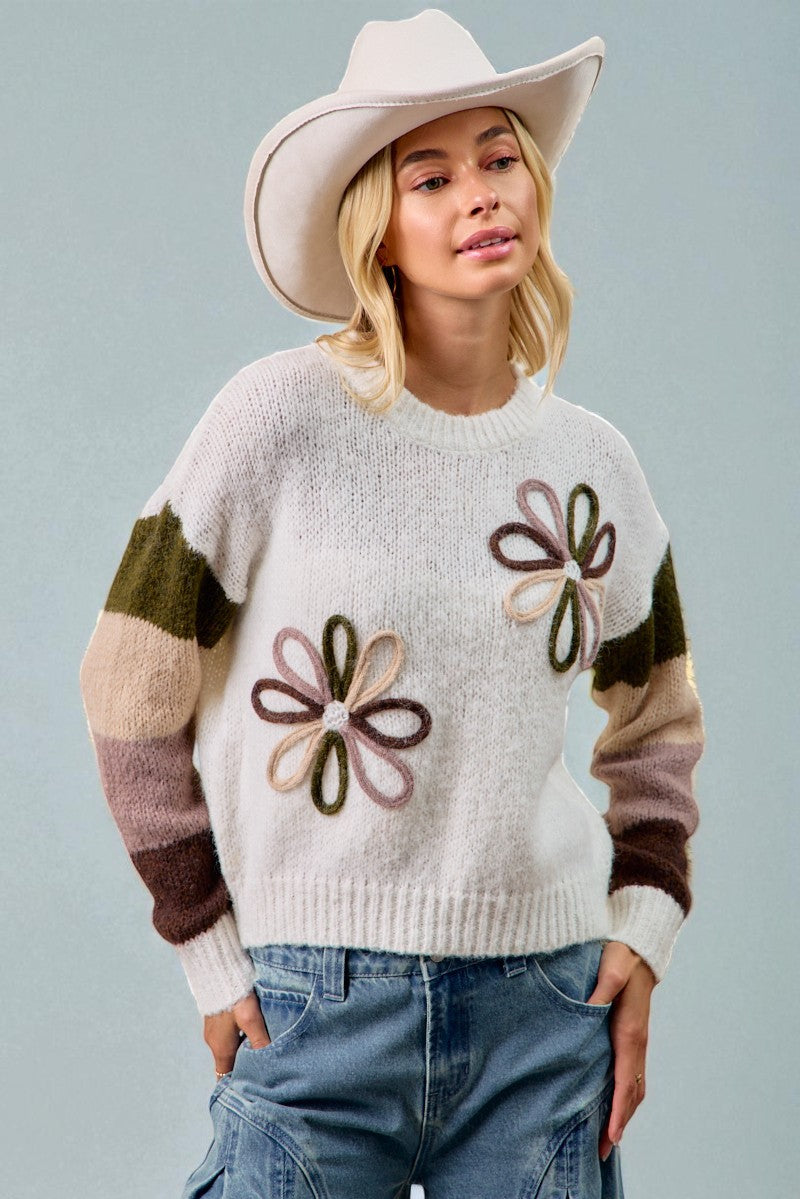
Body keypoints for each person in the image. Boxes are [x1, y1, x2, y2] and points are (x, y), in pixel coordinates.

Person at [79, 10, 705, 1197]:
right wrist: (208, 946)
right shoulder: (277, 420)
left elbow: (657, 715)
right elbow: (126, 679)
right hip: (319, 1003)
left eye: (499, 157)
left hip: (544, 1006)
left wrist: (643, 926)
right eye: (433, 175)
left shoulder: (592, 465)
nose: (479, 194)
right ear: (378, 222)